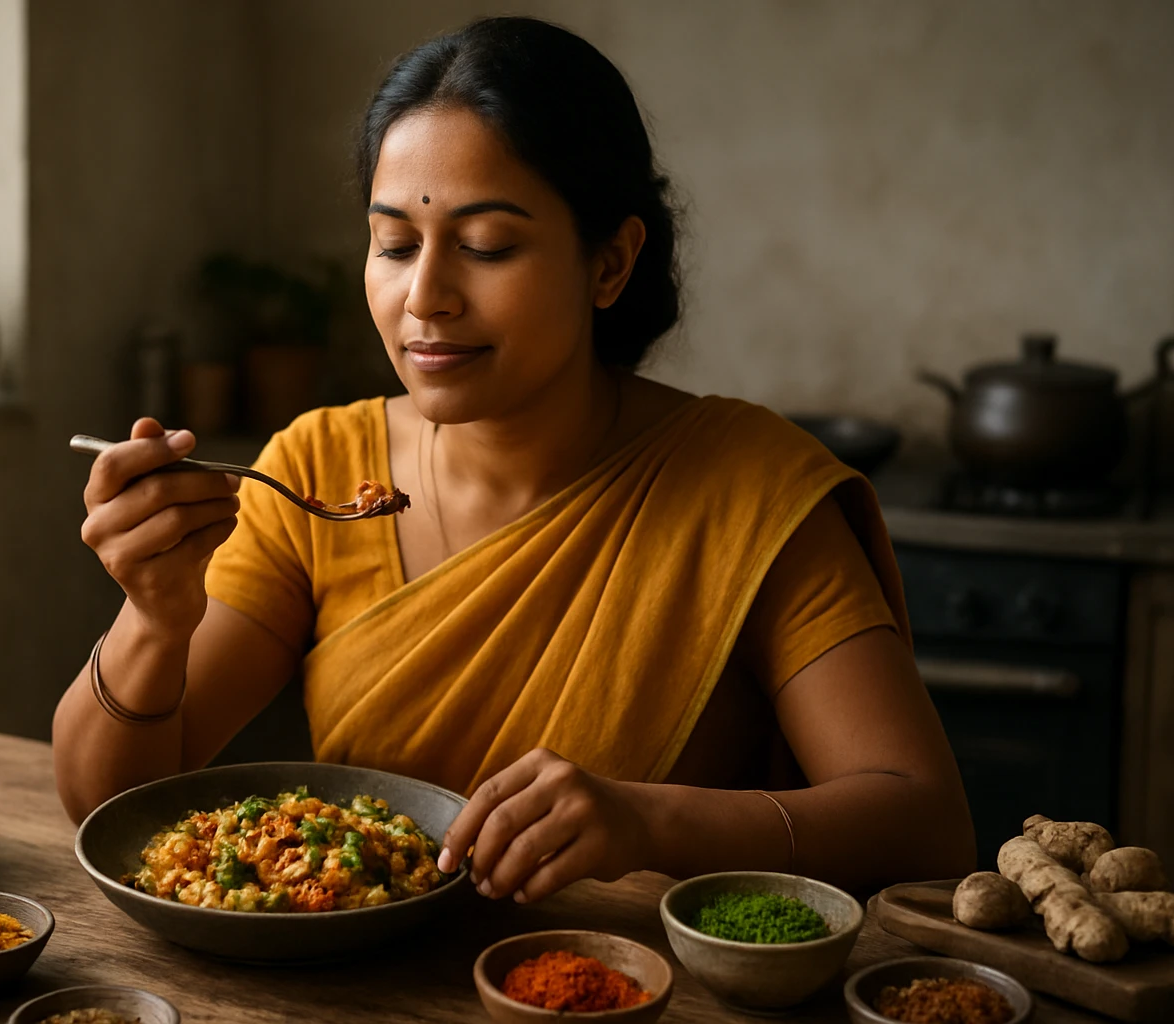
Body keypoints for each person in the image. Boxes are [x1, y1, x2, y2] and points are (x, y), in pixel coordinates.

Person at [53, 16, 974, 902]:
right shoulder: (321, 468)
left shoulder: (752, 489)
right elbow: (110, 806)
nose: (425, 298)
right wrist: (154, 620)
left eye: (487, 246)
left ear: (610, 263)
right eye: (394, 244)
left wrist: (648, 824)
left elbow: (925, 824)